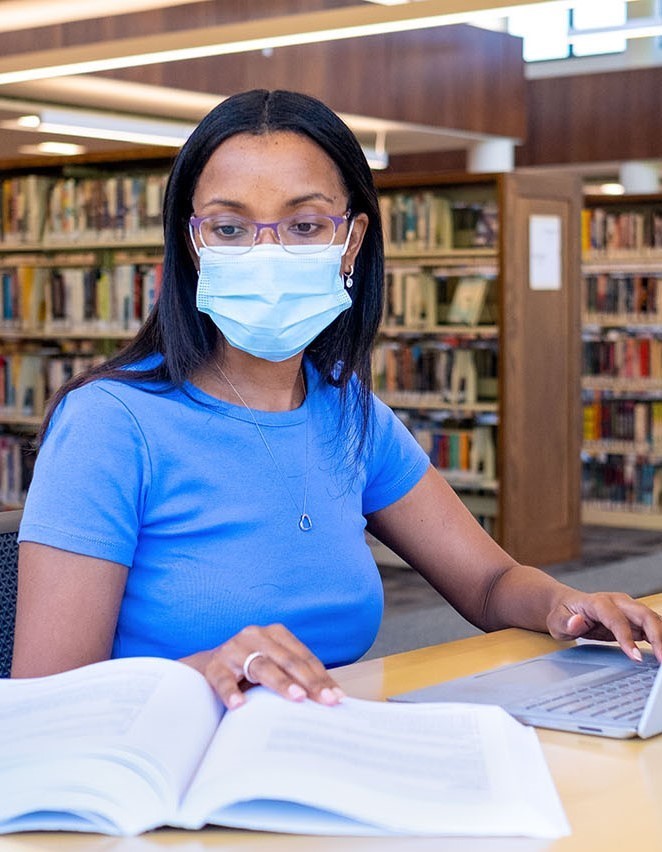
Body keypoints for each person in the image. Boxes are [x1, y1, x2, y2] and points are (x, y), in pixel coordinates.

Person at [12, 89, 662, 710]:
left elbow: (490, 584)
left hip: (328, 743)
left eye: (304, 225)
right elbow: (45, 699)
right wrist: (211, 668)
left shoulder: (351, 415)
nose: (267, 253)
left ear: (350, 241)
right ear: (194, 245)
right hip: (172, 765)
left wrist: (565, 605)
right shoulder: (109, 423)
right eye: (230, 228)